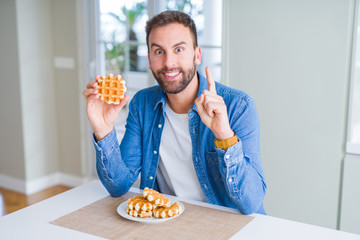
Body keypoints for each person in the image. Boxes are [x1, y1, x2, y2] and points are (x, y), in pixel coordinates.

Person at [83, 11, 266, 215]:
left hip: (225, 224)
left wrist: (224, 136)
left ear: (197, 55)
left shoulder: (237, 106)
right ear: (150, 60)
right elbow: (118, 186)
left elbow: (251, 203)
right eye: (159, 51)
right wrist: (103, 130)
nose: (169, 63)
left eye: (178, 49)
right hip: (166, 221)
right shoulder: (142, 104)